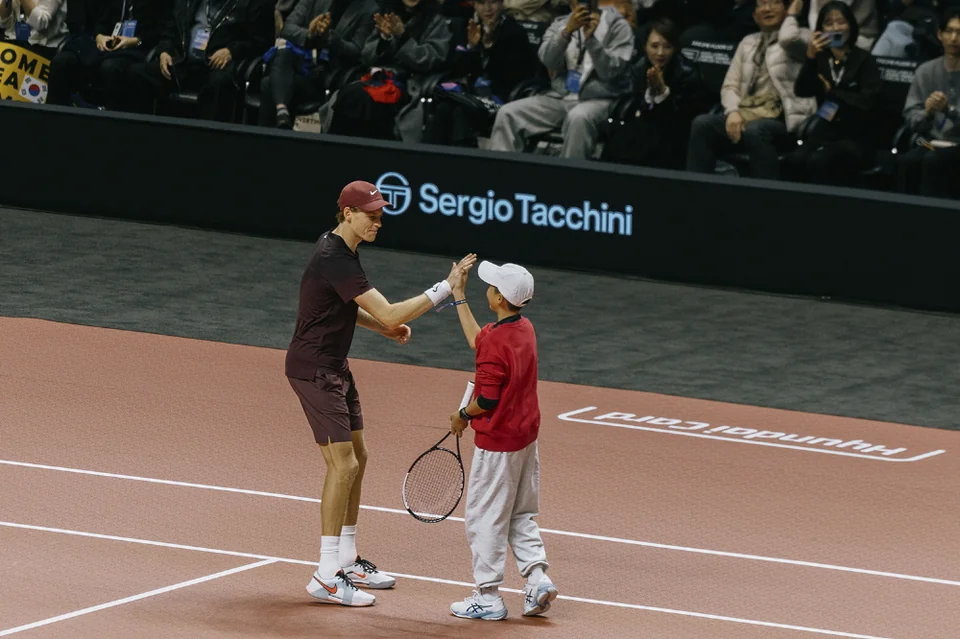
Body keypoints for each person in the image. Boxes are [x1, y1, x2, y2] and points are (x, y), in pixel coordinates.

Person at [287, 179, 476, 607]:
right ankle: (326, 575)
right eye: (371, 216)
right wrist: (445, 287)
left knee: (359, 456)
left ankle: (347, 558)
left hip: (335, 365)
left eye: (380, 215)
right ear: (348, 214)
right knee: (343, 465)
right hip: (314, 369)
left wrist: (383, 329)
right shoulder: (334, 255)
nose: (378, 222)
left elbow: (345, 305)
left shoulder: (342, 249)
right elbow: (388, 309)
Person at [446, 260, 558, 621]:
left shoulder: (496, 340)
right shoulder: (524, 328)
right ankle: (537, 579)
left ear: (498, 298)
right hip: (525, 438)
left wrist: (462, 416)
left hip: (497, 445)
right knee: (520, 513)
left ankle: (488, 596)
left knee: (484, 518)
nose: (489, 288)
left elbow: (488, 400)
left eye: (492, 286)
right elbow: (479, 342)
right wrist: (458, 295)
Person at [486, 0, 634, 159]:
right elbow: (547, 60)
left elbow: (611, 72)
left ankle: (568, 174)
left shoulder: (617, 27)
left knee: (578, 117)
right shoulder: (560, 24)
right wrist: (566, 33)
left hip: (600, 99)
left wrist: (592, 41)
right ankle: (502, 171)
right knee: (508, 113)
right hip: (562, 96)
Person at [685, 0, 816, 179]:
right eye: (761, 4)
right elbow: (730, 86)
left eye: (775, 2)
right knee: (702, 124)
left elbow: (787, 38)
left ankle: (766, 193)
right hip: (748, 116)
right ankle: (695, 189)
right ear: (754, 15)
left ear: (786, 9)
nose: (767, 8)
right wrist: (733, 112)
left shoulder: (803, 37)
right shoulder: (748, 42)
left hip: (785, 121)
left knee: (755, 130)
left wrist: (793, 14)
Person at [780, 1, 882, 185]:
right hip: (824, 132)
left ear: (850, 26)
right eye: (829, 23)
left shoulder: (864, 59)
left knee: (819, 161)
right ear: (821, 30)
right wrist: (810, 58)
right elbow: (802, 90)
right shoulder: (821, 58)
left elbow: (866, 102)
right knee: (793, 160)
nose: (836, 28)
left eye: (841, 22)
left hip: (856, 136)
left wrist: (833, 92)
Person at [600, 17, 712, 169]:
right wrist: (648, 96)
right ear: (645, 46)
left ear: (675, 48)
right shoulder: (638, 67)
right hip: (642, 125)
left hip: (674, 130)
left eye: (667, 47)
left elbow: (686, 114)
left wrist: (662, 92)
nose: (660, 53)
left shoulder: (688, 72)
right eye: (654, 46)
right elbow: (630, 102)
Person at [258, 0, 377, 128]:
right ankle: (281, 119)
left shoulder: (369, 9)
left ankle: (274, 130)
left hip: (327, 77)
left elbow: (357, 52)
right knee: (280, 60)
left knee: (269, 84)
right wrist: (310, 34)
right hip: (299, 66)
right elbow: (287, 28)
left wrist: (330, 38)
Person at [896, 7, 960, 198]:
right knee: (909, 160)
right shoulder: (925, 71)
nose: (954, 38)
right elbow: (910, 114)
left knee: (934, 161)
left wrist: (950, 110)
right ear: (940, 34)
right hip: (929, 141)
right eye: (949, 31)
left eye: (959, 32)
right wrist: (928, 113)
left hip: (957, 144)